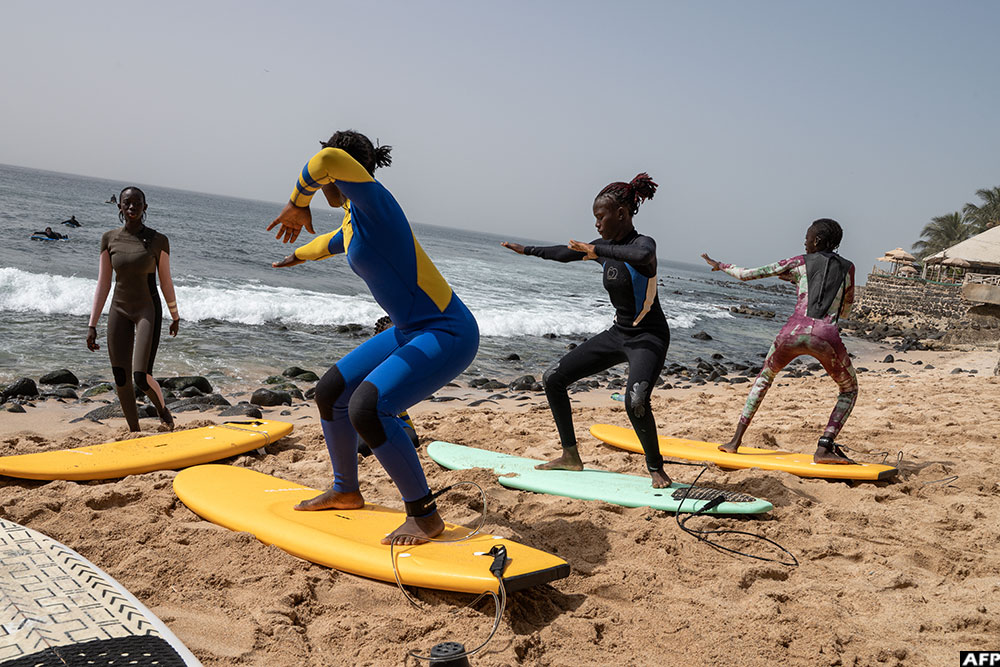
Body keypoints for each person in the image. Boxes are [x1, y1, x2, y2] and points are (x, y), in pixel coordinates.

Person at [268, 130, 479, 545]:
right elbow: (336, 242)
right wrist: (299, 255)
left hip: (446, 329)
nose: (325, 180)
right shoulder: (356, 218)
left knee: (369, 406)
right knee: (331, 392)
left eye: (329, 177)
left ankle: (424, 515)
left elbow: (326, 157)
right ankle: (346, 489)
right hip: (410, 330)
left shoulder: (377, 201)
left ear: (343, 174)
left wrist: (297, 202)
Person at [501, 173, 672, 488]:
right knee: (553, 378)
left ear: (621, 214)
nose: (597, 224)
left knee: (635, 400)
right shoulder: (602, 247)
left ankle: (655, 467)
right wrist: (526, 250)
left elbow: (643, 257)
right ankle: (570, 456)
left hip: (649, 337)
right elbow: (565, 254)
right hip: (618, 333)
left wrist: (599, 252)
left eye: (600, 217)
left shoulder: (642, 245)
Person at [701, 218, 858, 464]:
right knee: (849, 389)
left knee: (764, 378)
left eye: (807, 237)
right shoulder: (849, 268)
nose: (804, 241)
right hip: (825, 338)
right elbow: (846, 310)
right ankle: (824, 446)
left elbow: (746, 274)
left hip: (792, 333)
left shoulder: (797, 262)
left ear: (816, 240)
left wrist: (720, 265)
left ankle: (735, 441)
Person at [87, 186, 179, 431]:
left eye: (137, 203)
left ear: (144, 207)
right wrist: (92, 324)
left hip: (147, 310)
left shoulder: (159, 240)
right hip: (119, 310)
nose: (131, 207)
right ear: (119, 206)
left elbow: (166, 281)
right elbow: (104, 283)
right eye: (126, 202)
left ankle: (163, 411)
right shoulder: (109, 239)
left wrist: (175, 314)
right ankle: (134, 431)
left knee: (141, 376)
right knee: (120, 377)